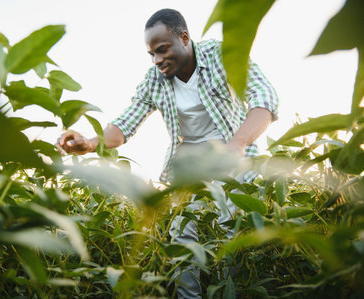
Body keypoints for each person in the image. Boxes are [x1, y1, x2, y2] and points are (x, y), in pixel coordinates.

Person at [58, 8, 278, 298]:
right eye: (151, 54)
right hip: (189, 163)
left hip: (232, 151)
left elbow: (265, 97)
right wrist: (88, 142)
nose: (157, 60)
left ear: (184, 38)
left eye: (162, 50)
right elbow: (126, 123)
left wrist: (237, 144)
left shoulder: (222, 55)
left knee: (229, 230)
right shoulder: (155, 79)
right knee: (182, 231)